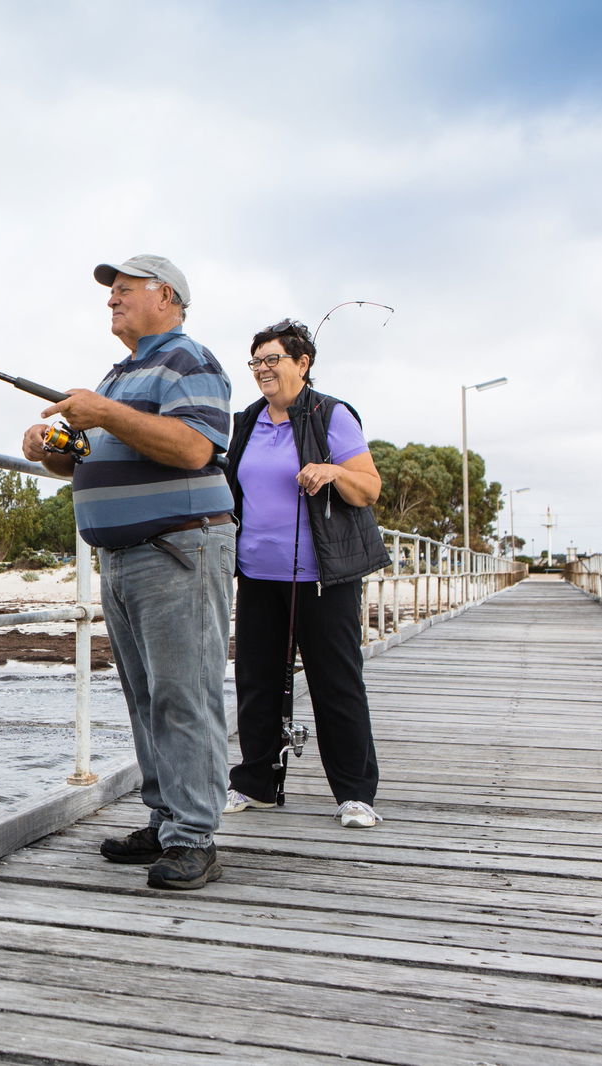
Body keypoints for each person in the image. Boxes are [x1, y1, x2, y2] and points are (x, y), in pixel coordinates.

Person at [22, 255, 235, 890]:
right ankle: (166, 819)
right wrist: (49, 447)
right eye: (110, 293)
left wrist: (104, 413)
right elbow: (89, 457)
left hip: (177, 549)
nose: (111, 300)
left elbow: (194, 446)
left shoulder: (190, 361)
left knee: (184, 693)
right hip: (122, 556)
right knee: (146, 696)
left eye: (123, 290)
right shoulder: (119, 376)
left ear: (166, 296)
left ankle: (194, 837)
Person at [221, 319, 390, 828]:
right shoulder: (247, 420)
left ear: (302, 363)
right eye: (256, 362)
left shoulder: (331, 415)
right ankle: (257, 784)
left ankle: (355, 794)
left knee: (336, 682)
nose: (262, 369)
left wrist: (334, 471)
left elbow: (369, 488)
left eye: (272, 359)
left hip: (322, 578)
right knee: (256, 682)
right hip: (257, 574)